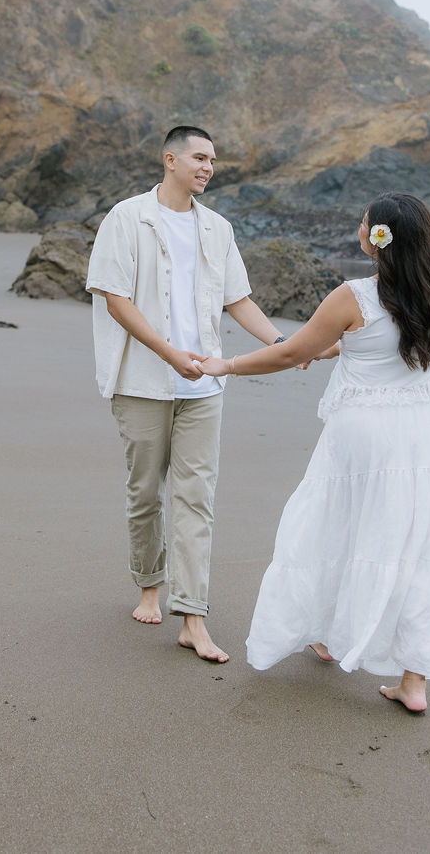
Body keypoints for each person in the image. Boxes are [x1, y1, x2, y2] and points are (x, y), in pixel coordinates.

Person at [195, 191, 430, 711]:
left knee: (334, 524)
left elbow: (293, 351)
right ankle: (413, 681)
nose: (358, 230)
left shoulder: (354, 295)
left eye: (363, 224)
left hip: (362, 433)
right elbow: (390, 342)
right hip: (422, 434)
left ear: (376, 237)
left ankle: (322, 630)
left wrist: (225, 365)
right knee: (417, 545)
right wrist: (333, 347)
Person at [86, 125, 289, 664]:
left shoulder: (218, 228)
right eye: (199, 157)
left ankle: (192, 616)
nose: (208, 167)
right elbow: (115, 299)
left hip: (205, 386)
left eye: (213, 160)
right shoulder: (127, 218)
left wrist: (284, 343)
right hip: (142, 382)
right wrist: (170, 353)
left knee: (197, 497)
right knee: (145, 491)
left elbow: (238, 299)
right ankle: (149, 584)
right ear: (170, 159)